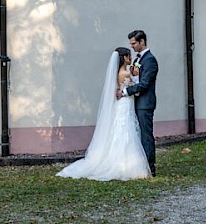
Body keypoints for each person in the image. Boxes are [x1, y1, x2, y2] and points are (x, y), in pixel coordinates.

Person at [57, 47, 152, 181]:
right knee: (124, 132)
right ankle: (123, 164)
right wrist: (136, 75)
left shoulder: (119, 73)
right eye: (128, 56)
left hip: (122, 104)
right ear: (124, 58)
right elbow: (135, 91)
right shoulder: (125, 74)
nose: (131, 59)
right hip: (125, 105)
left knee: (121, 131)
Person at [121, 29, 159, 176]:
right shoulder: (138, 60)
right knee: (137, 134)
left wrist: (125, 92)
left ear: (142, 41)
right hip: (136, 101)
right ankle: (139, 164)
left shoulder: (150, 60)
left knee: (145, 135)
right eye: (131, 44)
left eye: (134, 43)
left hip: (145, 103)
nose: (132, 47)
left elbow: (144, 84)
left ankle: (150, 167)